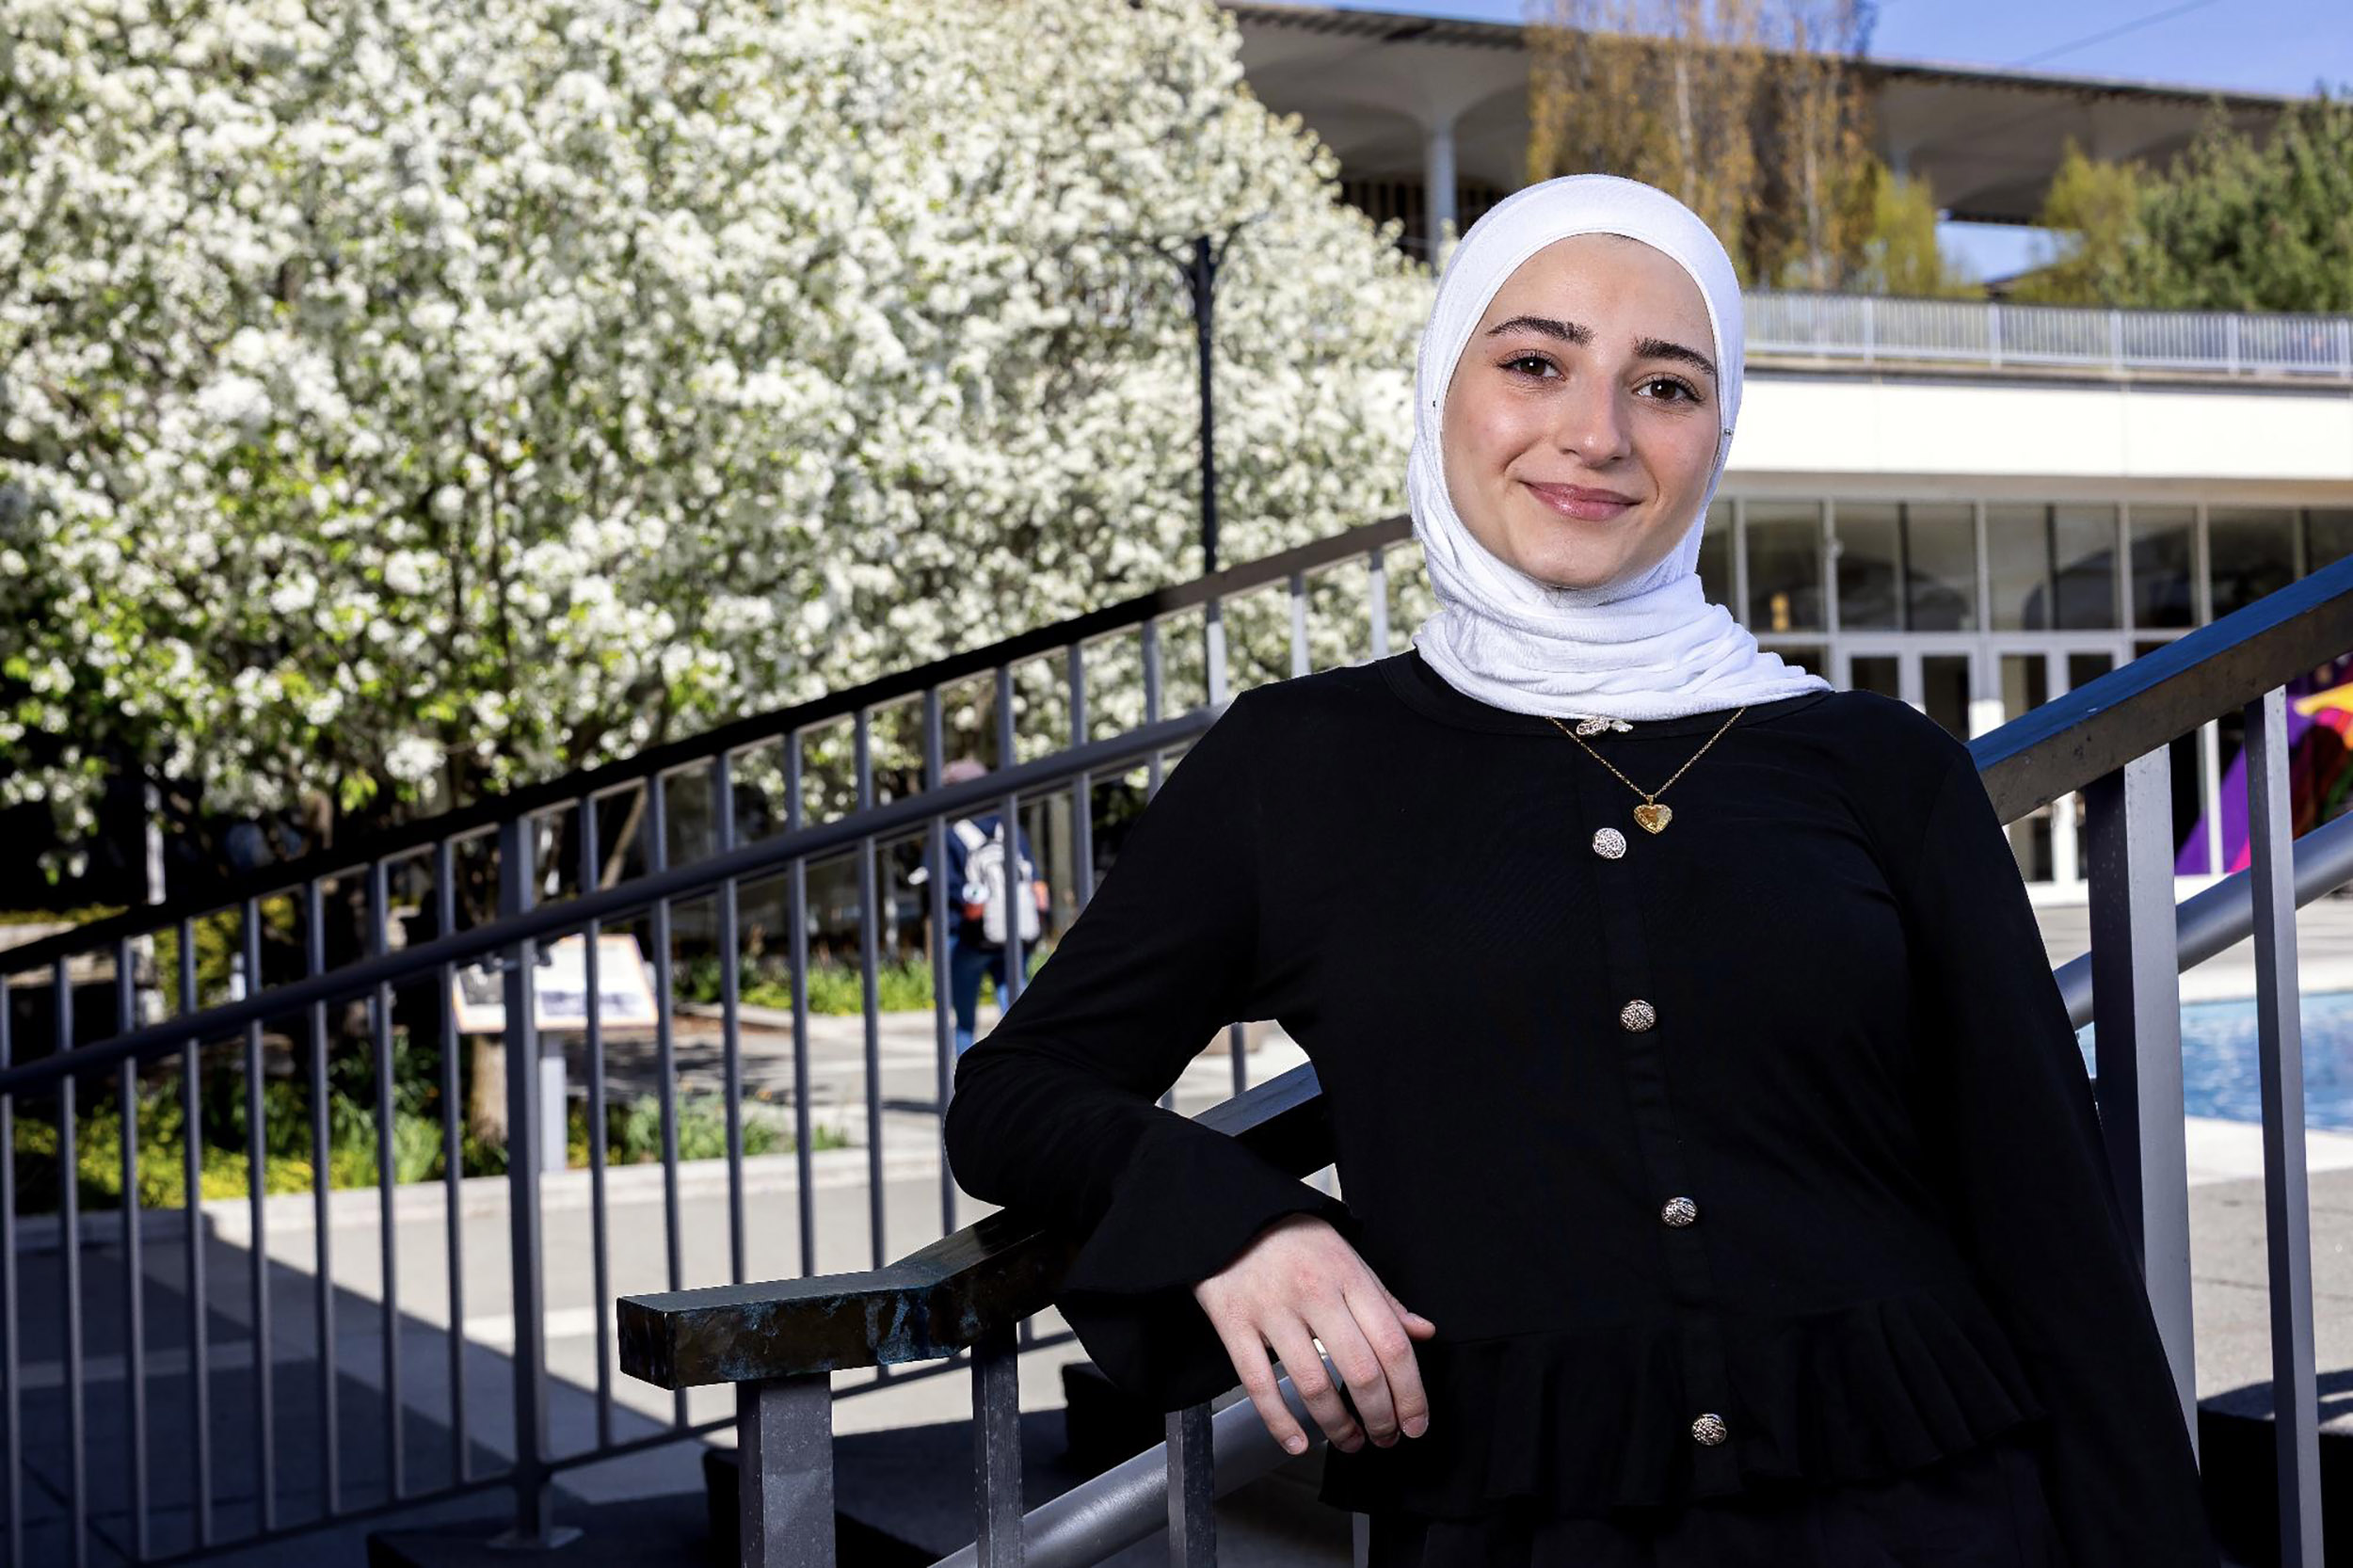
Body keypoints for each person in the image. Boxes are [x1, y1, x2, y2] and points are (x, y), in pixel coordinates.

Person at [942, 173, 2219, 1567]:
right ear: (1441, 388)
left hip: (1936, 1511)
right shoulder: (1299, 765)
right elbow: (1016, 1094)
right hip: (1529, 1530)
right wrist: (1242, 1223)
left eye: (1664, 387)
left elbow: (2052, 1222)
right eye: (1536, 363)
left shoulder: (1876, 762)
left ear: (1719, 432)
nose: (1596, 434)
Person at [911, 758, 1048, 1057]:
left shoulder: (946, 830)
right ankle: (1026, 1079)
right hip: (1012, 931)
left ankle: (966, 1094)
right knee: (1016, 1015)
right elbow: (1034, 879)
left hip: (966, 935)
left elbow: (942, 884)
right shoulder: (1008, 825)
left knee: (964, 1022)